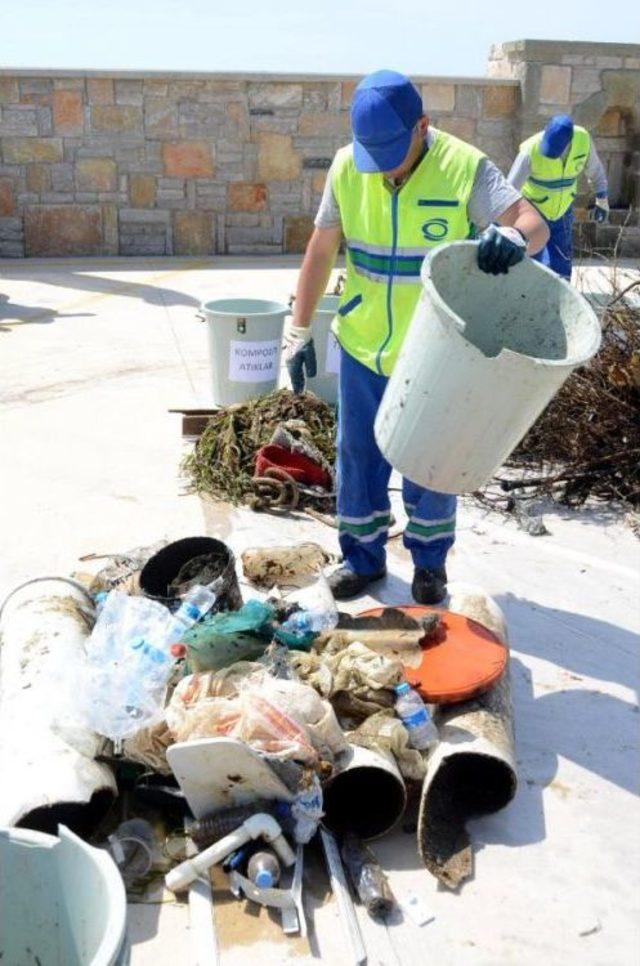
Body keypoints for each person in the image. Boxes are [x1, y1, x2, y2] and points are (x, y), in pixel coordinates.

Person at [285, 70, 549, 604]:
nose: (380, 167)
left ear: (421, 127)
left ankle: (430, 565)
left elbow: (532, 220)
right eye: (370, 154)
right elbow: (321, 249)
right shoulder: (345, 167)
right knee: (359, 455)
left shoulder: (464, 167)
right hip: (363, 346)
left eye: (390, 152)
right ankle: (362, 559)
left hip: (436, 355)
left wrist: (514, 236)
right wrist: (298, 328)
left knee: (431, 460)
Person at [507, 114, 609, 280]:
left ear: (569, 142)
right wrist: (507, 225)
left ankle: (562, 298)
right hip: (534, 211)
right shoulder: (530, 150)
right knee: (533, 260)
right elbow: (509, 190)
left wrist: (602, 199)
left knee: (561, 259)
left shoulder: (583, 140)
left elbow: (595, 170)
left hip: (563, 211)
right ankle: (528, 297)